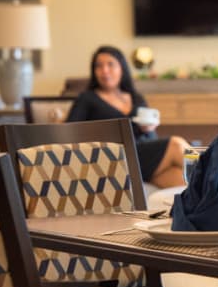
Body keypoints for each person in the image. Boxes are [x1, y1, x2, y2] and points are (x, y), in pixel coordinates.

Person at [67, 45, 189, 188]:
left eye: (110, 64)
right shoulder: (87, 98)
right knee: (176, 143)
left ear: (122, 68)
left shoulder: (136, 97)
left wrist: (149, 128)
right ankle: (215, 172)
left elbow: (151, 137)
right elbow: (69, 132)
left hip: (143, 156)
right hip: (114, 157)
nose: (104, 70)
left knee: (183, 182)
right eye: (99, 66)